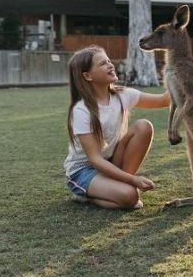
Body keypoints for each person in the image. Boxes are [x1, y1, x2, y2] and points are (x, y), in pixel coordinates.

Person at [64, 45, 170, 209]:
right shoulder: (81, 110)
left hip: (111, 161)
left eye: (108, 61)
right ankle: (87, 195)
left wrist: (183, 74)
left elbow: (164, 100)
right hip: (84, 170)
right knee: (130, 197)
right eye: (102, 64)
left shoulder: (123, 95)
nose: (110, 65)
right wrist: (133, 180)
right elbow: (95, 159)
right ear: (87, 76)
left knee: (143, 126)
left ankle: (118, 187)